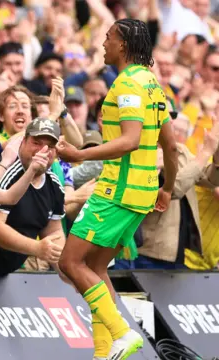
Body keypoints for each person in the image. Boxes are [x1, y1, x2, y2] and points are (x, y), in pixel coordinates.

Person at [55, 19, 180, 360]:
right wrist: (166, 187)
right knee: (94, 270)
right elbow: (170, 146)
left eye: (108, 37)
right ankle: (103, 353)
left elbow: (130, 141)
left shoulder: (127, 85)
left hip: (116, 191)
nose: (102, 44)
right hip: (140, 194)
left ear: (123, 44)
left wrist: (79, 154)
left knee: (70, 263)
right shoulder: (153, 85)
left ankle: (123, 333)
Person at [0, 118, 65, 276]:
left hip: (9, 275)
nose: (42, 150)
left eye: (50, 146)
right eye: (36, 143)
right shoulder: (0, 172)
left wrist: (66, 272)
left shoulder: (54, 184)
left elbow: (54, 233)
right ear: (23, 142)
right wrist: (37, 248)